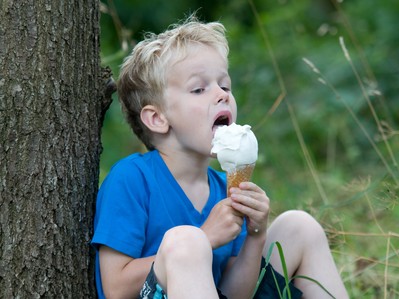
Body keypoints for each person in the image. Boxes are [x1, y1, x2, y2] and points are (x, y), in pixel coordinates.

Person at [92, 15, 348, 299]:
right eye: (199, 89)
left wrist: (255, 236)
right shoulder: (131, 179)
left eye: (224, 86)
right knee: (186, 241)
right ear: (157, 118)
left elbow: (234, 294)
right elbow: (115, 289)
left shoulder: (224, 188)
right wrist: (205, 237)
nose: (221, 95)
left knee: (300, 227)